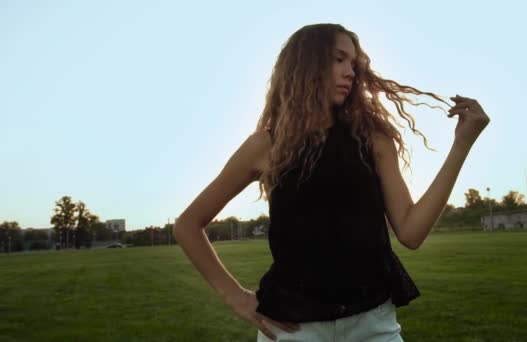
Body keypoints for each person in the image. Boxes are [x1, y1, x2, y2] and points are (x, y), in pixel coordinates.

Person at [174, 23, 490, 341]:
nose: (350, 72)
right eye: (338, 59)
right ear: (306, 64)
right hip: (293, 329)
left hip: (373, 325)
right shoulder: (265, 146)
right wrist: (237, 297)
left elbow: (411, 231)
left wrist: (461, 145)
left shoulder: (374, 139)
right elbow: (188, 224)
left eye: (353, 64)